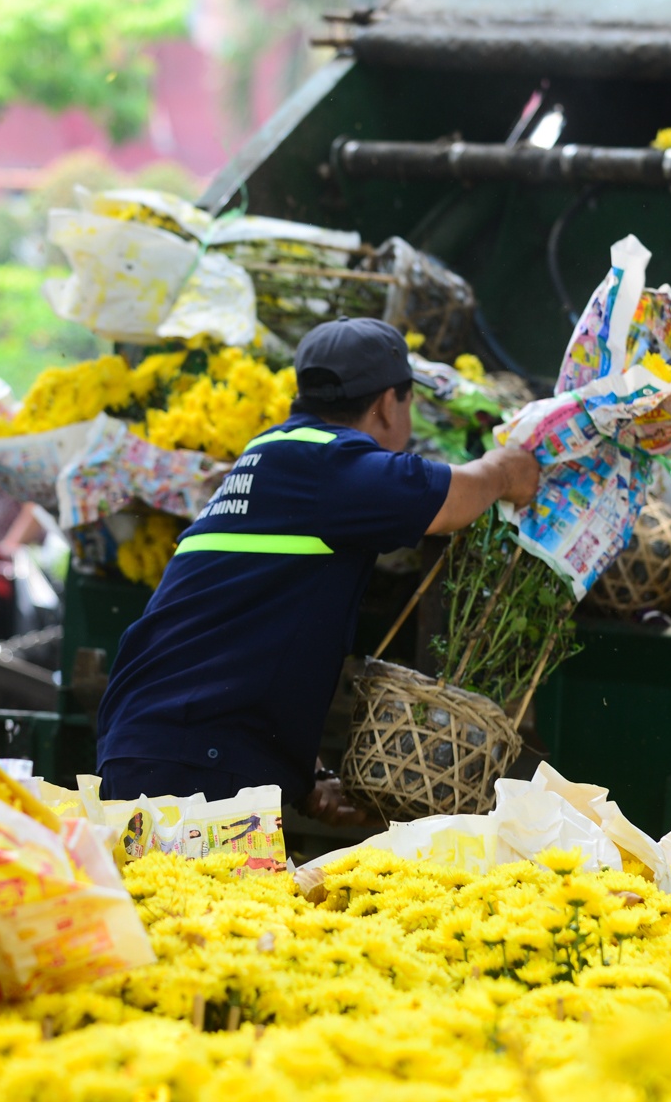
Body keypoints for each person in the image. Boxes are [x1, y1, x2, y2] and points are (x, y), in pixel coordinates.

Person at [94, 316, 540, 816]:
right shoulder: (328, 464)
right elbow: (451, 499)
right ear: (387, 405)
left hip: (167, 746)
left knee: (177, 896)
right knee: (197, 898)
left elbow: (243, 635)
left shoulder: (271, 454)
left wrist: (302, 776)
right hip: (194, 761)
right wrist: (509, 470)